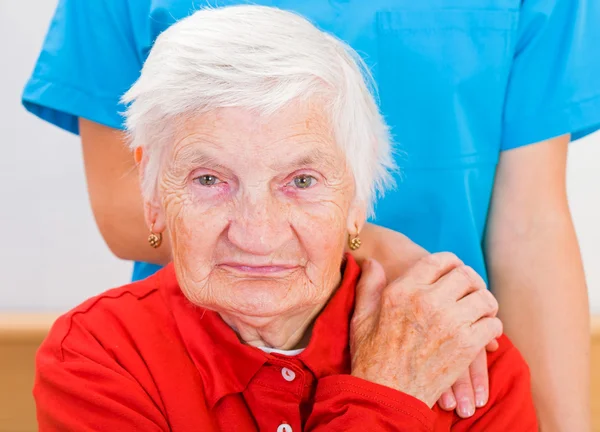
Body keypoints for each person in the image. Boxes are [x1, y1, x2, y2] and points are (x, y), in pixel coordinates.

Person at [23, 0, 599, 428]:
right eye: (209, 179)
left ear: (356, 197)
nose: (258, 230)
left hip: (446, 344)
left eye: (302, 181)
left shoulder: (468, 371)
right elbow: (127, 207)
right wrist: (386, 392)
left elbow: (532, 226)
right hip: (194, 353)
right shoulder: (102, 362)